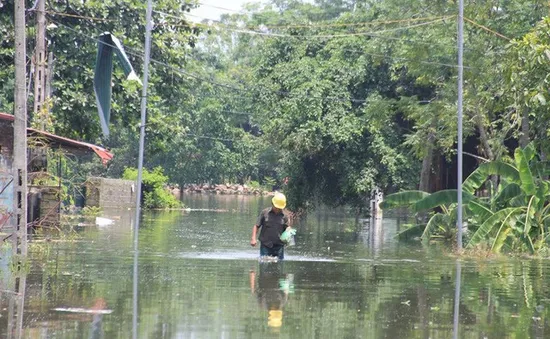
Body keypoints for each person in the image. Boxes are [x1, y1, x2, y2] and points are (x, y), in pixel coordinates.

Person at [251, 192, 290, 260]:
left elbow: (287, 228)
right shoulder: (265, 213)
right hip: (265, 245)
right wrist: (253, 238)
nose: (277, 209)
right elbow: (256, 226)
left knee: (279, 266)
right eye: (276, 207)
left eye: (279, 207)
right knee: (264, 265)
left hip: (279, 246)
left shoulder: (285, 216)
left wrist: (288, 233)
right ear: (272, 203)